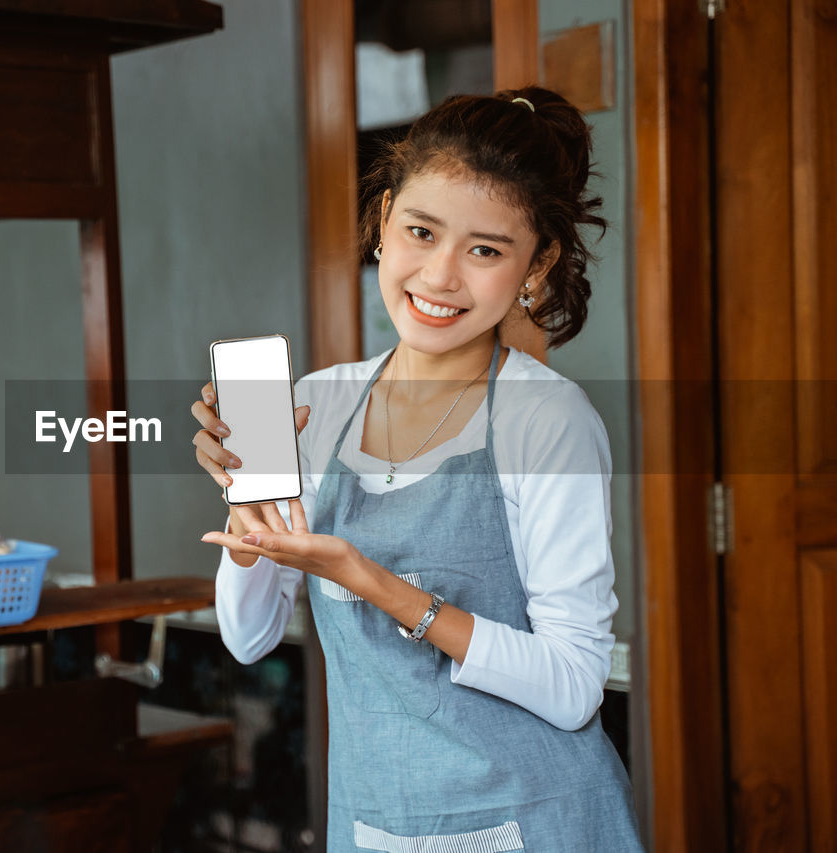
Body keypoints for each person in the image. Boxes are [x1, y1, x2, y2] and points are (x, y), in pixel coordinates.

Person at [192, 87, 645, 851]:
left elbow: (573, 689)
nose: (439, 276)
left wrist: (374, 582)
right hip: (375, 824)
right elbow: (248, 638)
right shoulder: (318, 405)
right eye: (421, 231)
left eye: (486, 250)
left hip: (538, 821)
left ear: (538, 265)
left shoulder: (548, 421)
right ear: (382, 219)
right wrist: (249, 526)